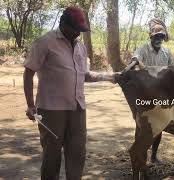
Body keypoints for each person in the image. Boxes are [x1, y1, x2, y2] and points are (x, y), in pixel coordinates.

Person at [23, 7, 116, 179]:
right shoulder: (45, 42)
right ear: (63, 24)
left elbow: (84, 75)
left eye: (80, 31)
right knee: (52, 156)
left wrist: (108, 76)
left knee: (77, 153)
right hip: (51, 111)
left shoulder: (80, 47)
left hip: (78, 110)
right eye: (75, 29)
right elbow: (29, 71)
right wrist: (30, 105)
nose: (77, 34)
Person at [130, 18, 174, 163]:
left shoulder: (167, 53)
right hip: (144, 93)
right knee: (142, 126)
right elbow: (135, 58)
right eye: (156, 36)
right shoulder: (143, 49)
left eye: (161, 36)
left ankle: (154, 156)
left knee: (159, 126)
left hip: (161, 94)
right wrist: (137, 62)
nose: (159, 39)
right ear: (151, 36)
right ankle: (139, 154)